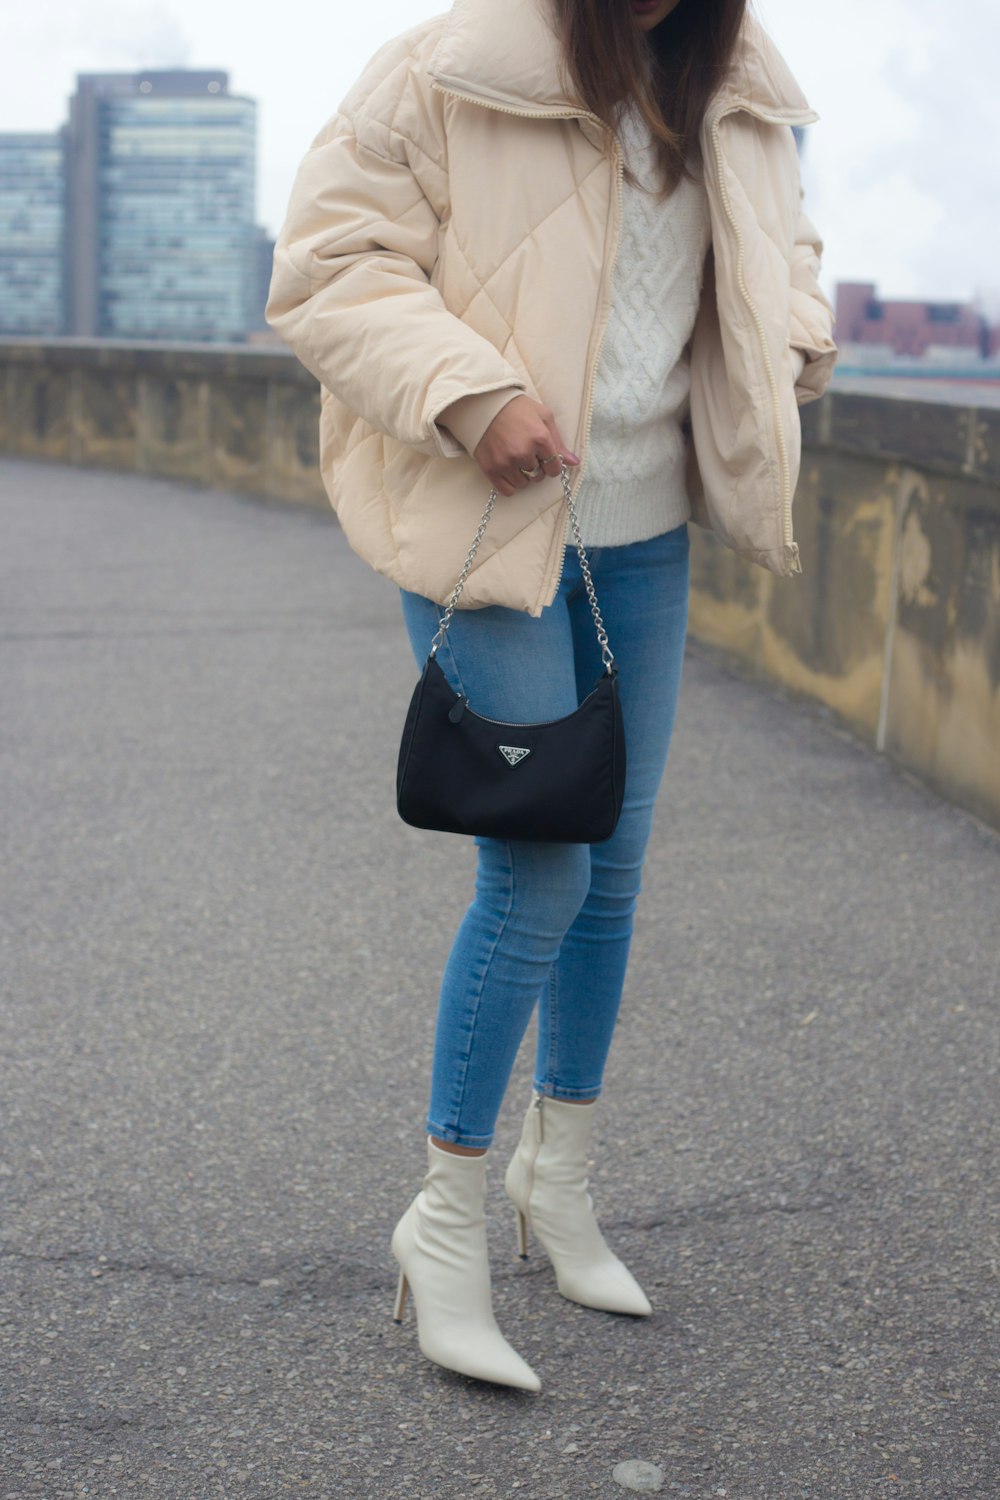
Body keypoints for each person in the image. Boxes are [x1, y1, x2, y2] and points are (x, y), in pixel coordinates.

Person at [265, 0, 837, 1393]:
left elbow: (788, 252)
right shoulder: (443, 67)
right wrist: (472, 393)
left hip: (646, 525)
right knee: (537, 874)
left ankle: (558, 1178)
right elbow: (329, 267)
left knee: (617, 865)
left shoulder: (741, 83)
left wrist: (793, 346)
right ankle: (444, 1218)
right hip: (493, 517)